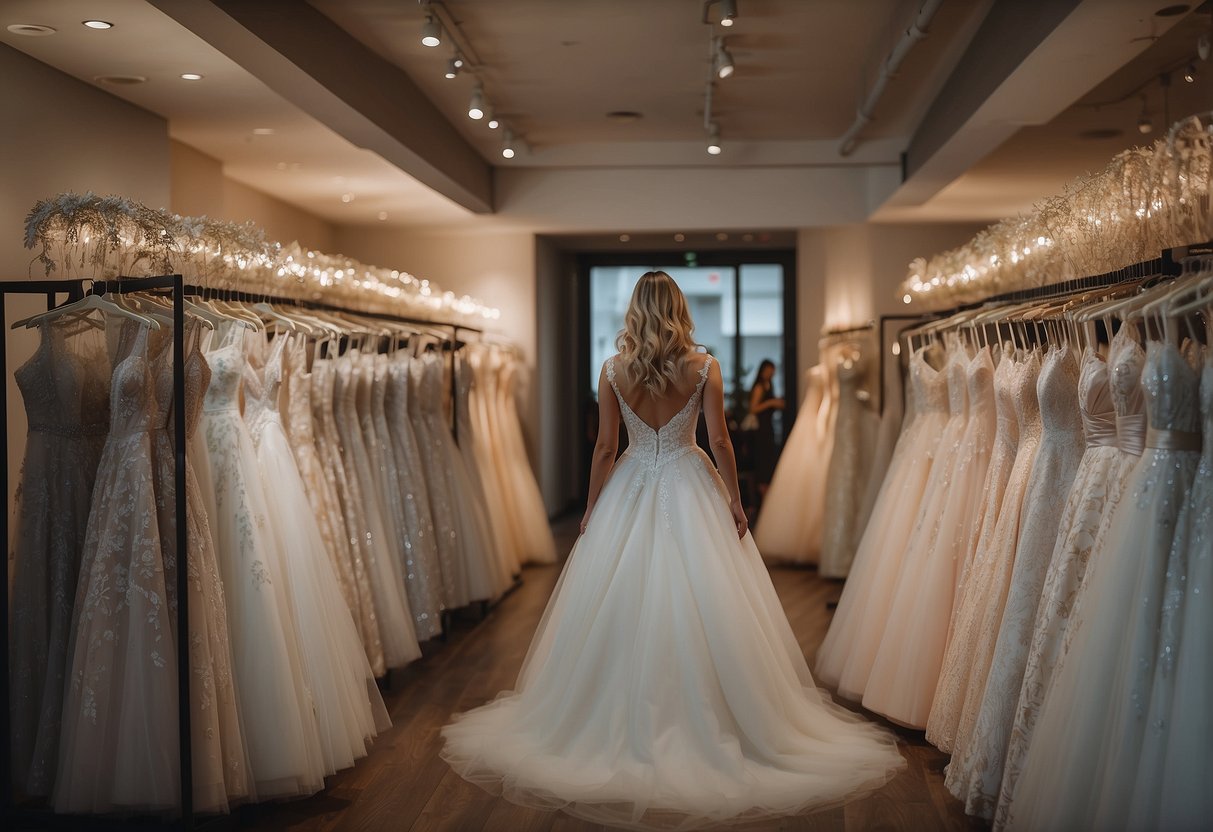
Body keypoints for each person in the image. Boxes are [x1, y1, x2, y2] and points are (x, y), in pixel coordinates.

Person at [440, 271, 904, 829]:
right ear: (679, 308)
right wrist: (735, 502)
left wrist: (591, 508)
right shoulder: (703, 367)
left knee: (620, 602)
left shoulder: (613, 371)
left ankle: (606, 721)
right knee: (707, 601)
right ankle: (724, 719)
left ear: (635, 310)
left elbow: (606, 447)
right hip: (690, 480)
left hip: (631, 484)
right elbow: (721, 441)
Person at [748, 358, 785, 499]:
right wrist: (770, 403)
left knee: (769, 462)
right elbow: (753, 408)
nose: (771, 374)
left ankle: (767, 495)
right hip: (761, 431)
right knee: (763, 463)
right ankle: (763, 497)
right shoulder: (759, 387)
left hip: (768, 429)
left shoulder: (769, 385)